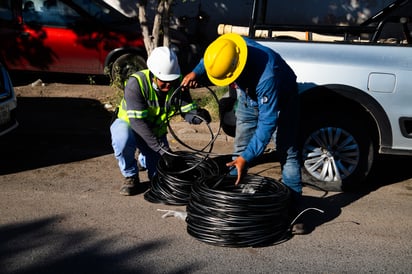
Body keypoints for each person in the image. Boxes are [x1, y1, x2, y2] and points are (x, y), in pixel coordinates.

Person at [182, 33, 305, 234]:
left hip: (282, 100)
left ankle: (295, 211)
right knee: (238, 151)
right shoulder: (230, 46)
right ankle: (233, 202)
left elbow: (267, 123)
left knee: (287, 153)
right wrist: (196, 72)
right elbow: (211, 58)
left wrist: (247, 157)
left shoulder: (268, 76)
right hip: (248, 95)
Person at [110, 46, 211, 196]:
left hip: (155, 133)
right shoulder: (136, 83)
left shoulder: (178, 84)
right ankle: (130, 175)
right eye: (164, 81)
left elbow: (186, 113)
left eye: (171, 80)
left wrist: (199, 116)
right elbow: (138, 123)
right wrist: (163, 150)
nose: (168, 85)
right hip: (130, 126)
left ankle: (144, 160)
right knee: (122, 139)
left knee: (159, 180)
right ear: (153, 75)